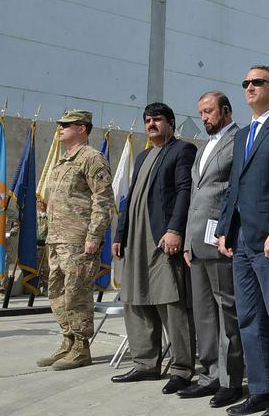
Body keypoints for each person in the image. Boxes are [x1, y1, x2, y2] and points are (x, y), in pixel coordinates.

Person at [216, 66, 269, 416]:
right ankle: (262, 389)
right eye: (246, 84)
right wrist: (223, 228)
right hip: (241, 240)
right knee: (249, 318)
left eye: (257, 83)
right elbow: (234, 186)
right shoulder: (242, 135)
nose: (250, 88)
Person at [111, 103, 197, 393]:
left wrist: (175, 230)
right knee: (135, 299)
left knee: (169, 301)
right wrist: (119, 234)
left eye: (157, 119)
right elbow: (131, 198)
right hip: (135, 239)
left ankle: (182, 369)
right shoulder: (144, 154)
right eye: (147, 120)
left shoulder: (182, 150)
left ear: (170, 123)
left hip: (161, 238)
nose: (151, 124)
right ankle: (145, 364)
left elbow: (185, 191)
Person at [178, 92, 245, 408]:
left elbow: (235, 191)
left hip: (220, 239)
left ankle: (231, 381)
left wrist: (227, 232)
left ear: (226, 110)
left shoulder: (238, 140)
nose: (204, 117)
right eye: (201, 112)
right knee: (204, 313)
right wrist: (189, 241)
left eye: (209, 111)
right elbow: (196, 194)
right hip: (196, 242)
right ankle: (208, 376)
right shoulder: (203, 148)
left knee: (226, 312)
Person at [38, 109, 114, 370]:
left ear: (82, 128)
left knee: (77, 292)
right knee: (57, 291)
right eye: (60, 124)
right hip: (56, 238)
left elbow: (103, 201)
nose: (60, 128)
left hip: (78, 239)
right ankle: (68, 340)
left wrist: (94, 237)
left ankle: (82, 347)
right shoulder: (62, 161)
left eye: (66, 125)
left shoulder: (92, 159)